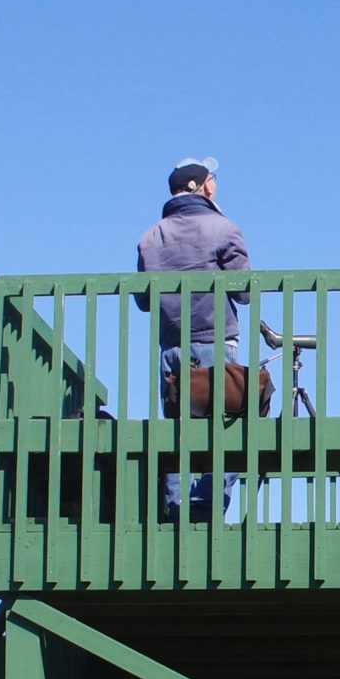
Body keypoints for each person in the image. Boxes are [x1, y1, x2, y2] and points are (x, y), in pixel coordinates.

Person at [135, 156, 250, 523]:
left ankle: (176, 509)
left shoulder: (151, 237)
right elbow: (245, 291)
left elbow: (143, 300)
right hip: (217, 342)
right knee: (232, 427)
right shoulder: (223, 227)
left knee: (178, 428)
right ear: (204, 186)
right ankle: (206, 506)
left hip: (172, 348)